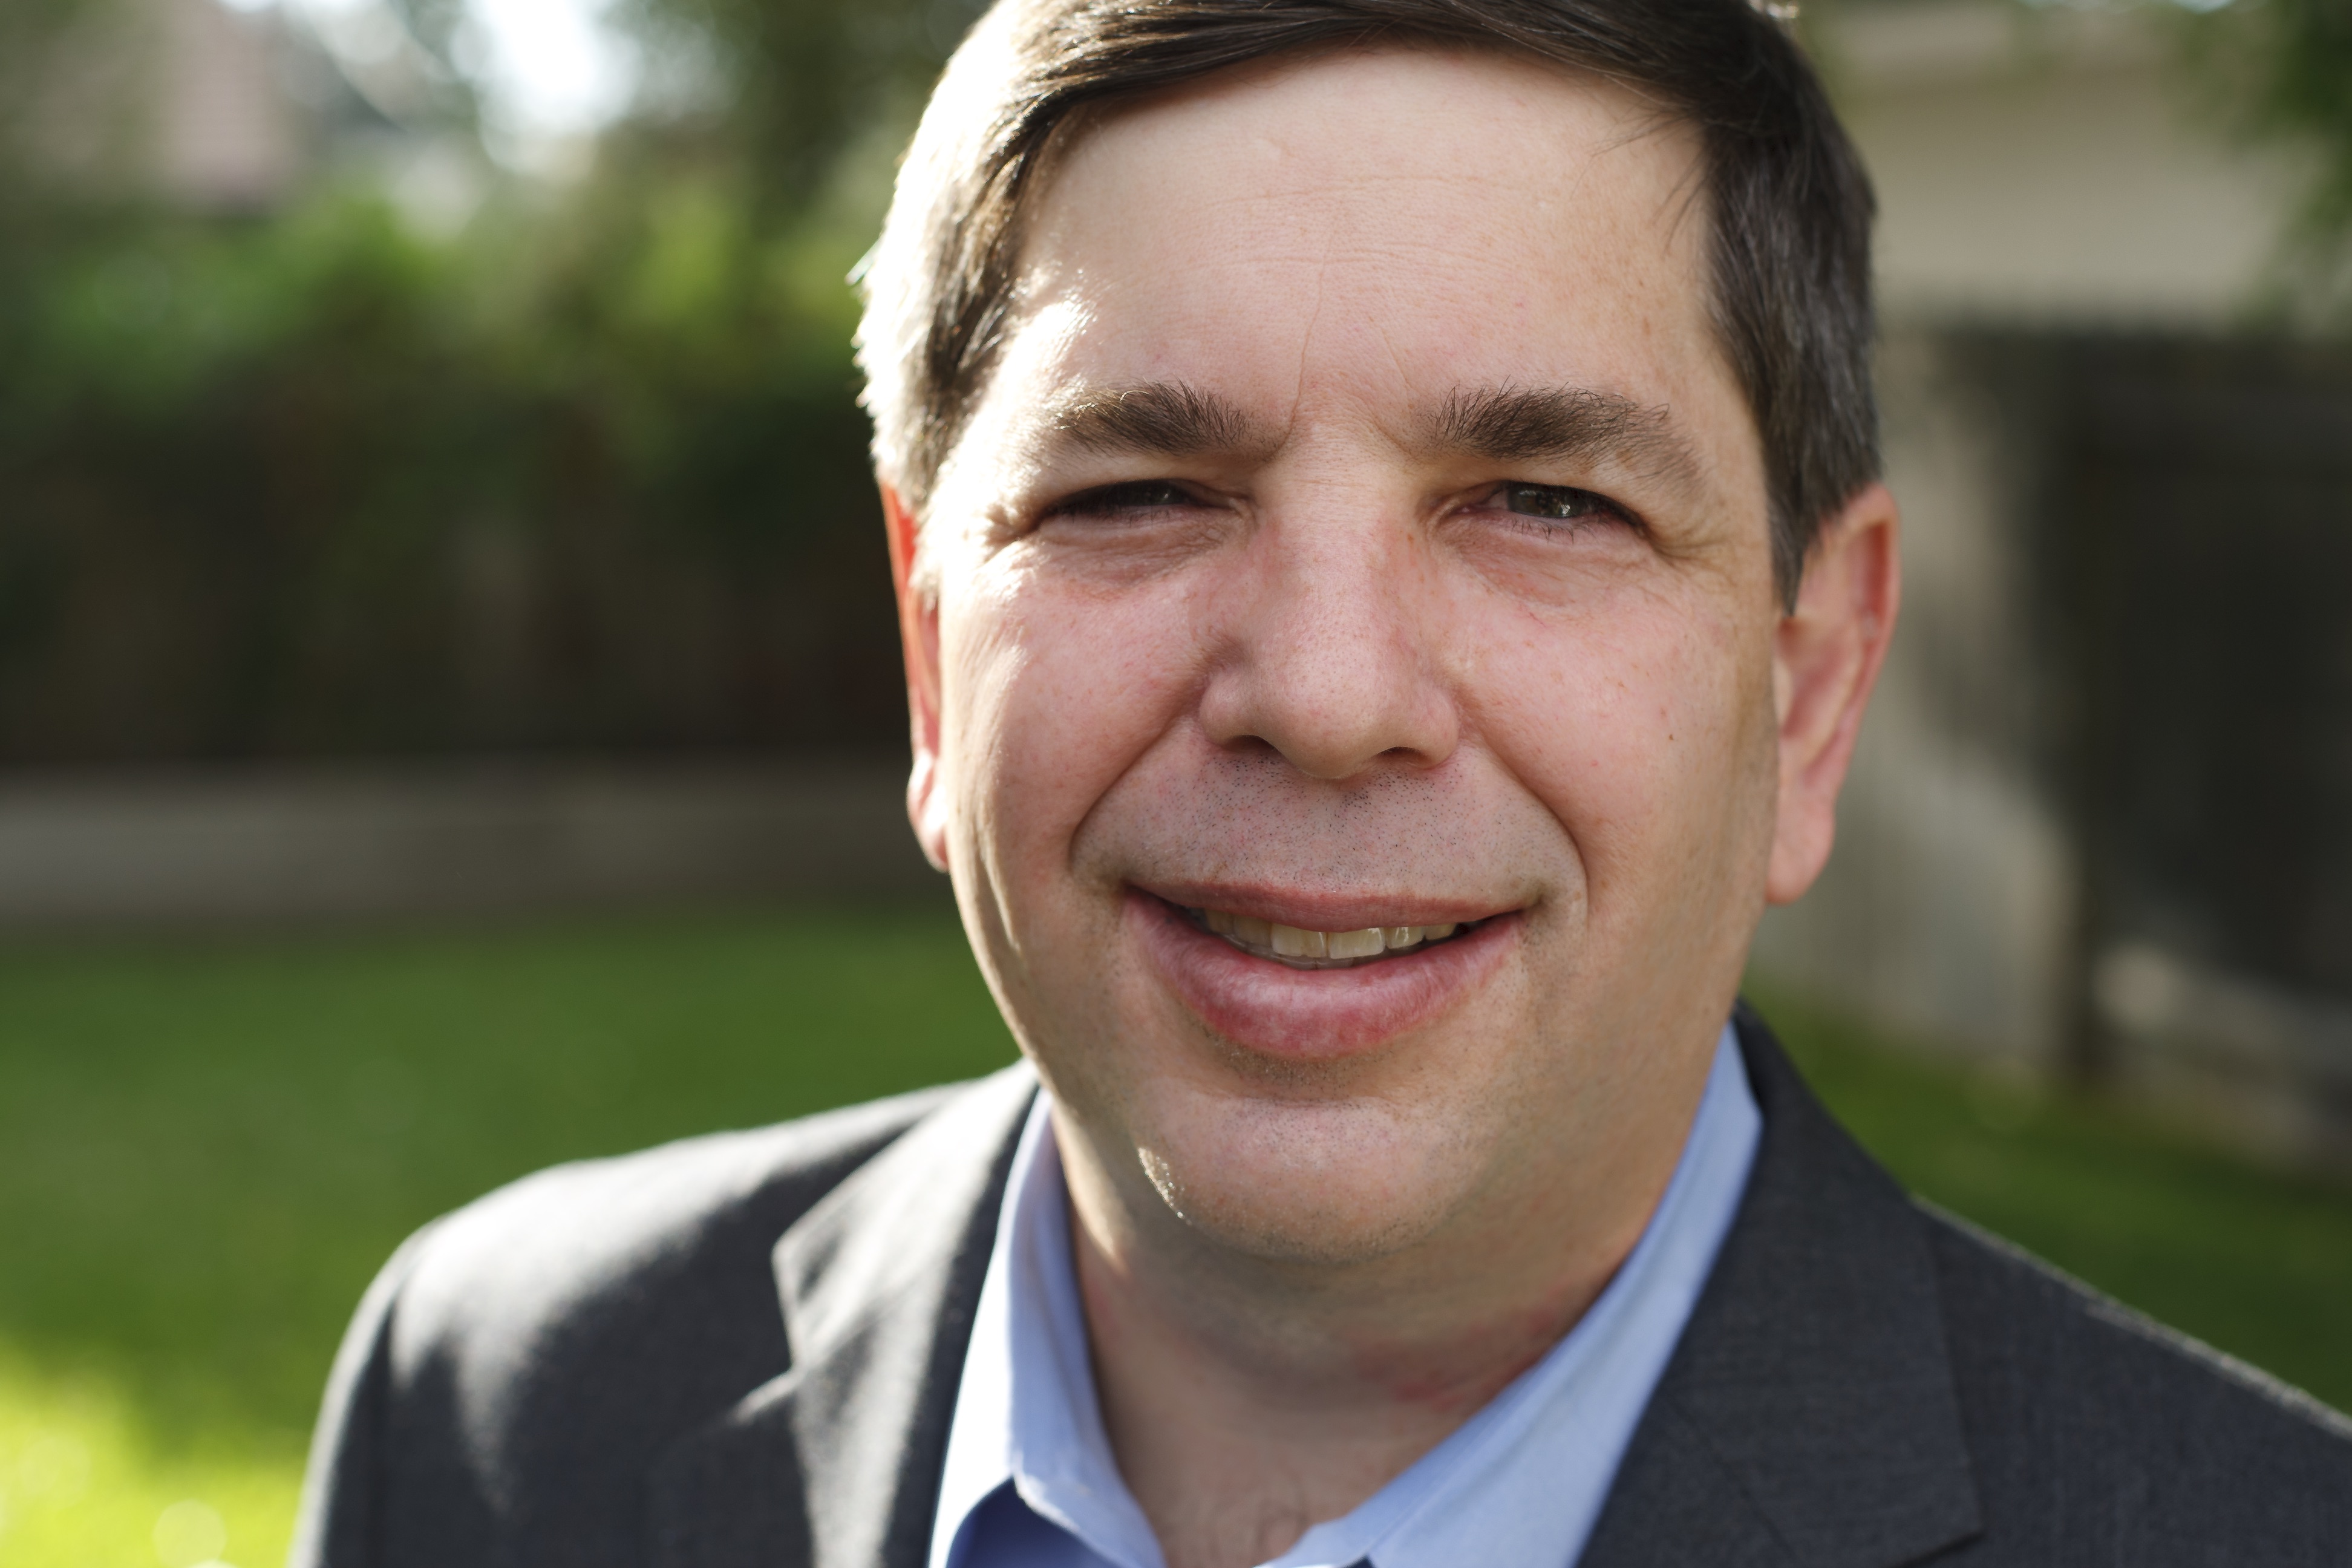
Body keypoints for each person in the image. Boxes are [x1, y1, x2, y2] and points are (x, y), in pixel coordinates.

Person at [289, 1, 2352, 1563]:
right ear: (934, 650)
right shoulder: (498, 1423)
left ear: (1807, 688)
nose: (1330, 690)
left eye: (1543, 499)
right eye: (1142, 491)